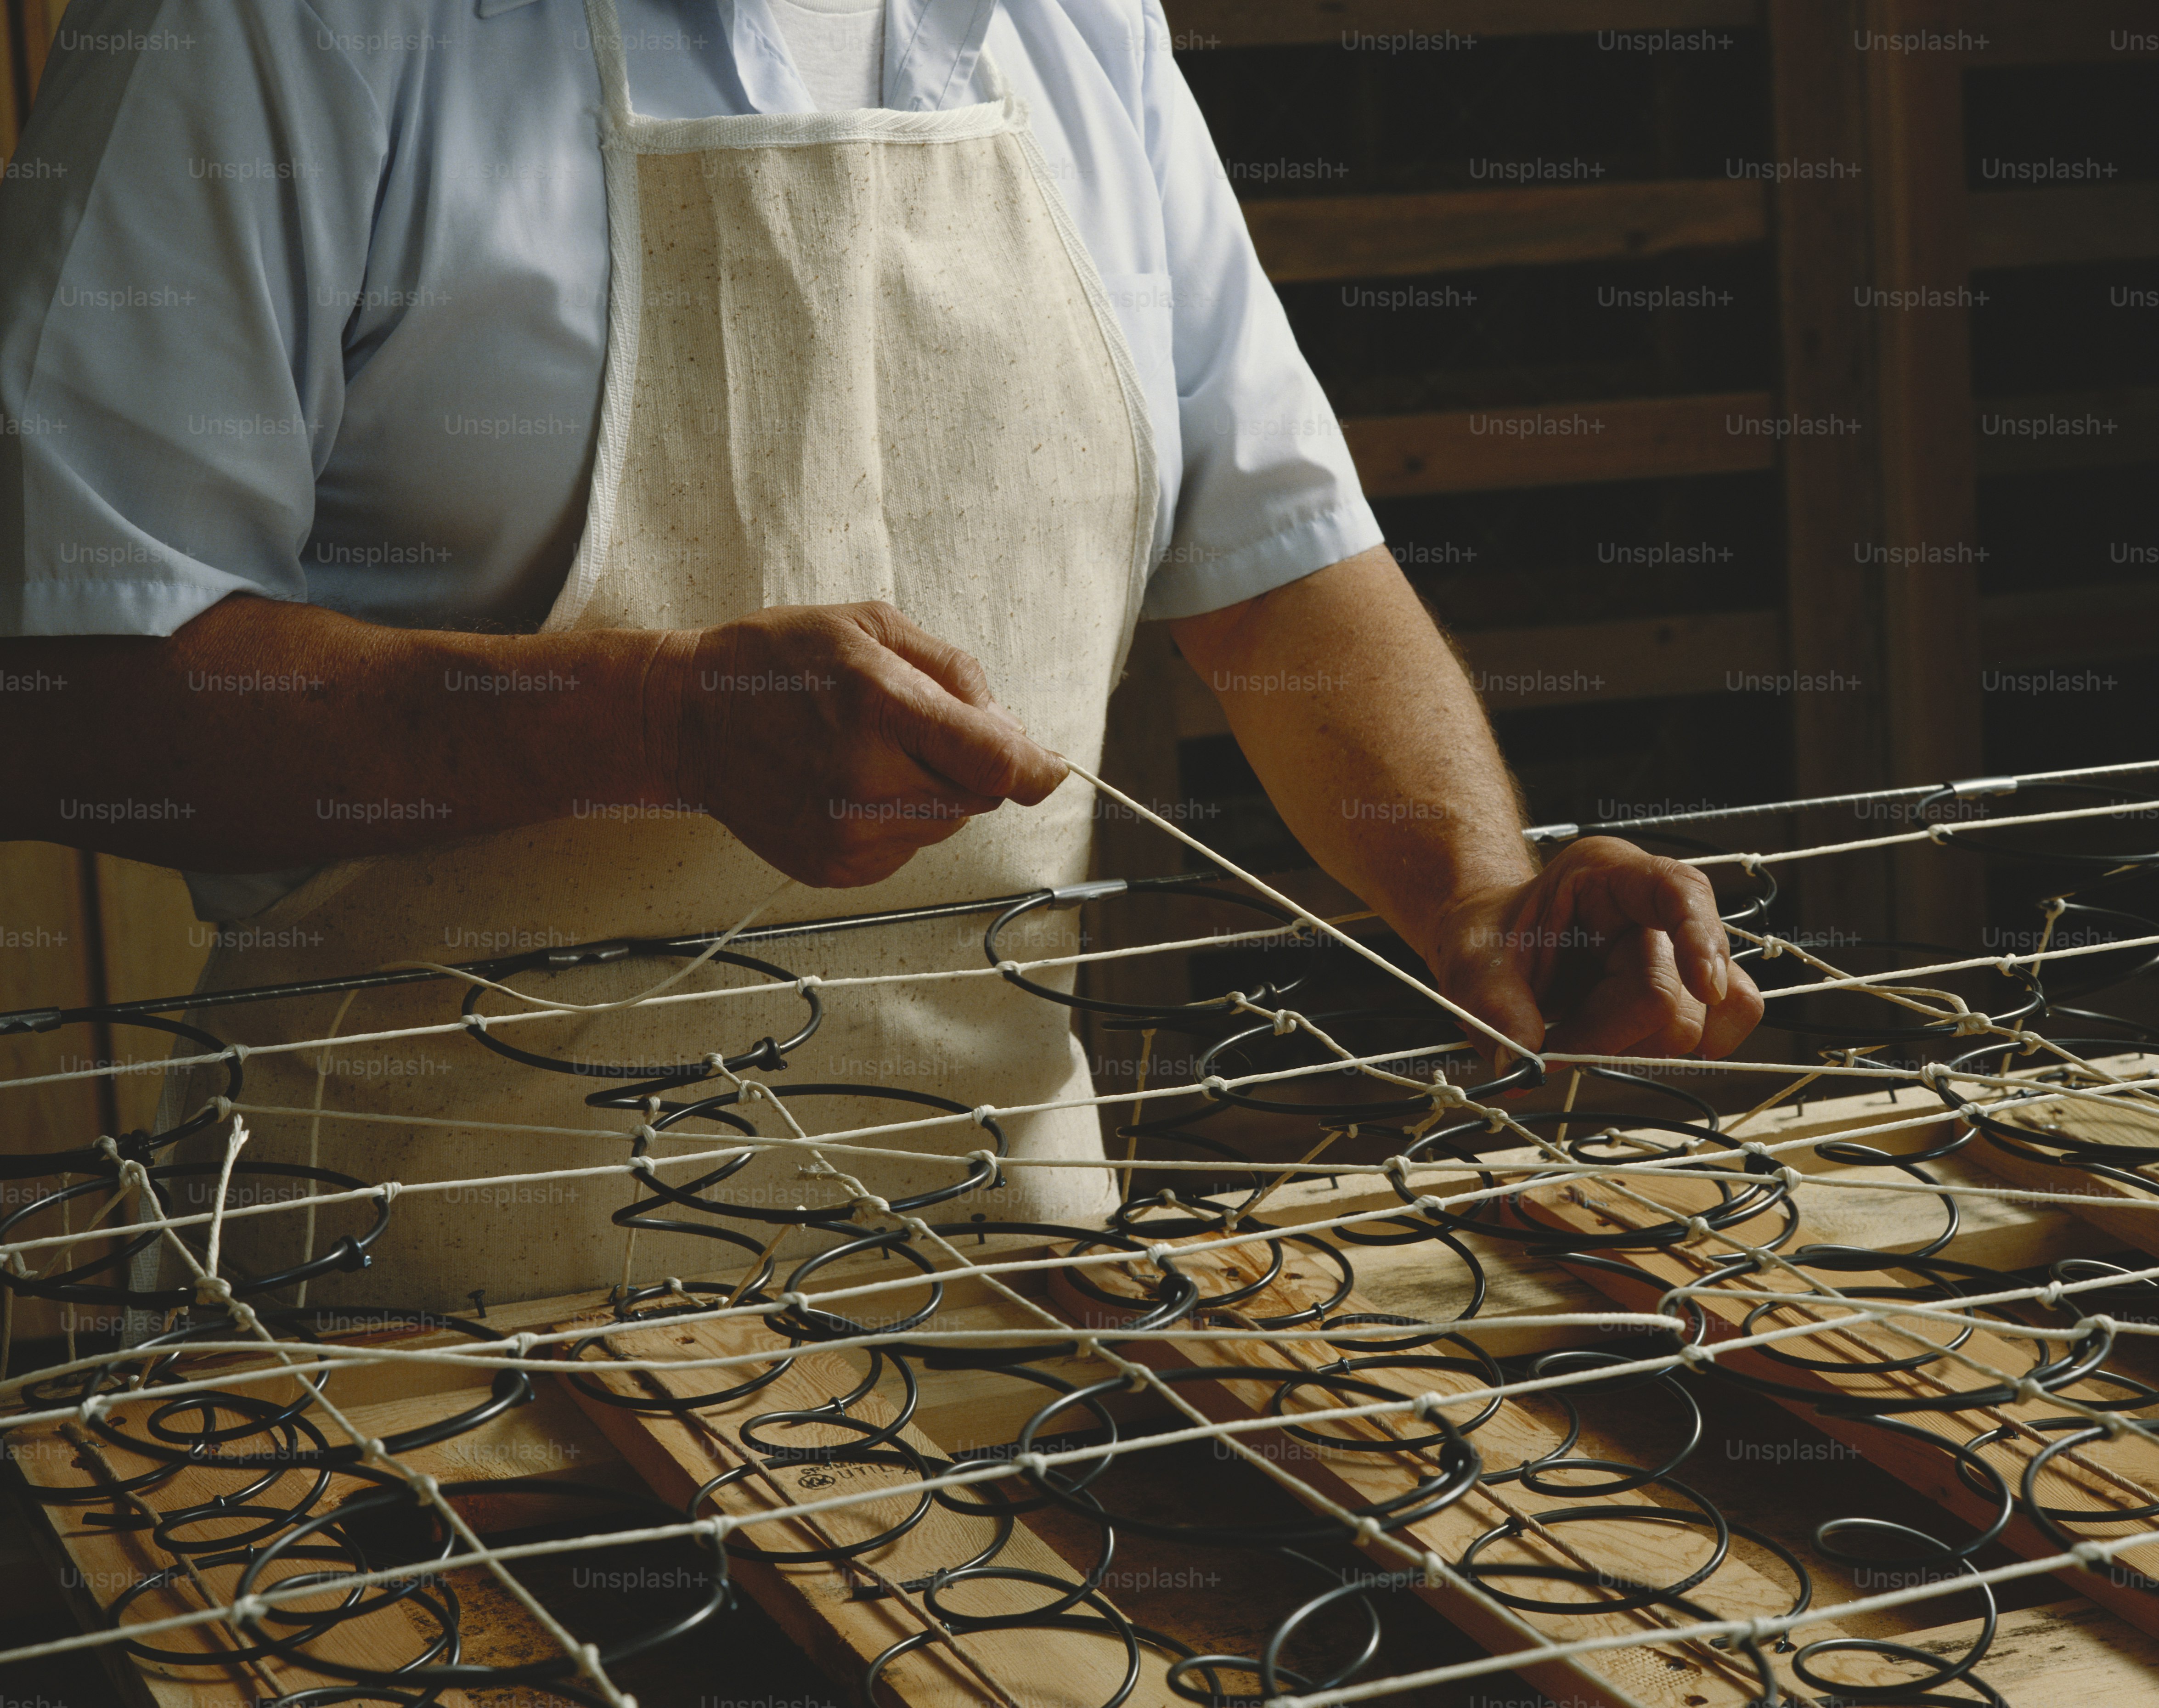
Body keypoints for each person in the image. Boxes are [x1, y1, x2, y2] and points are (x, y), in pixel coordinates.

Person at [0, 0, 1762, 1308]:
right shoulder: (262, 31)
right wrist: (653, 721)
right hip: (418, 1329)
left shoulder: (1078, 31)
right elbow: (69, 694)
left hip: (1011, 1305)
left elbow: (1282, 573)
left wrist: (1477, 901)